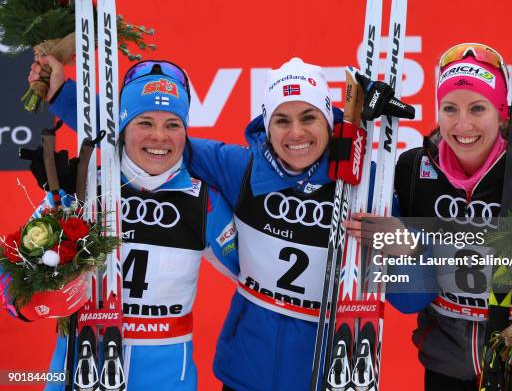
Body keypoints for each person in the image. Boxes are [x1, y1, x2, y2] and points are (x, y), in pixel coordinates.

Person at [34, 56, 433, 390]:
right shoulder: (242, 167)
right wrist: (64, 95)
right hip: (246, 372)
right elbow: (157, 139)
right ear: (266, 123)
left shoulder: (362, 185)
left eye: (308, 117)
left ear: (329, 120)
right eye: (282, 119)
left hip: (325, 374)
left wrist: (407, 248)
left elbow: (411, 300)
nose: (296, 133)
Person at [364, 43, 512, 390]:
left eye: (478, 108)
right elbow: (405, 285)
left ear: (501, 112)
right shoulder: (413, 171)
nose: (462, 124)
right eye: (450, 108)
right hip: (446, 365)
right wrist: (357, 124)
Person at [1, 57, 238, 390]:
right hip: (78, 372)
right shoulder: (79, 188)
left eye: (173, 124)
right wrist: (35, 302)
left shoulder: (204, 202)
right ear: (123, 126)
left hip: (167, 379)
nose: (160, 136)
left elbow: (263, 280)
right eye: (145, 122)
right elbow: (10, 283)